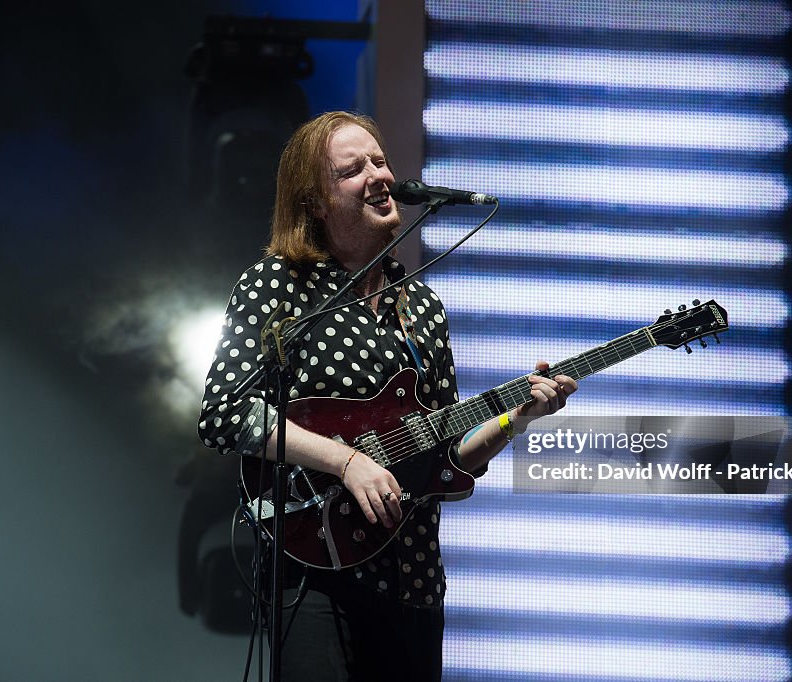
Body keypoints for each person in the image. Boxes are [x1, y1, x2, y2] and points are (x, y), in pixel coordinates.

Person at [197, 111, 578, 682]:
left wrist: (514, 420)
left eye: (380, 162)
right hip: (313, 571)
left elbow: (448, 458)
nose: (378, 175)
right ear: (317, 202)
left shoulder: (422, 308)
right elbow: (224, 415)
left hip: (412, 577)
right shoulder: (278, 284)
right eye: (354, 169)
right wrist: (347, 462)